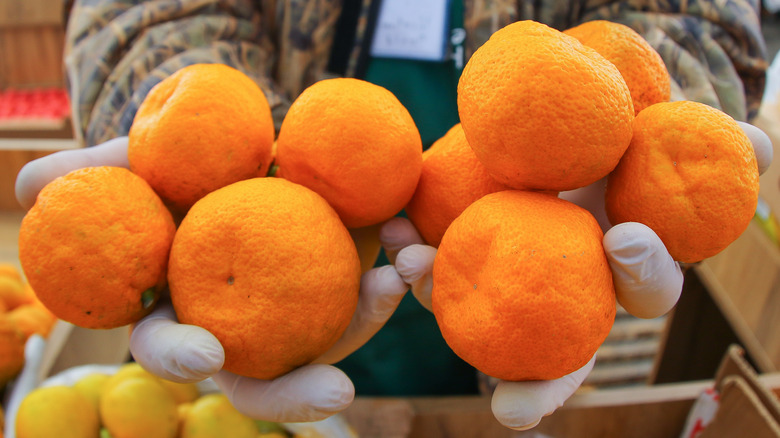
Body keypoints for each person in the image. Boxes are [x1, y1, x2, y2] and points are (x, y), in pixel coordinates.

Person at [14, 0, 774, 431]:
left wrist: (644, 146)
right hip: (279, 240)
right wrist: (206, 165)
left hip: (558, 240)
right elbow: (148, 13)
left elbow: (696, 15)